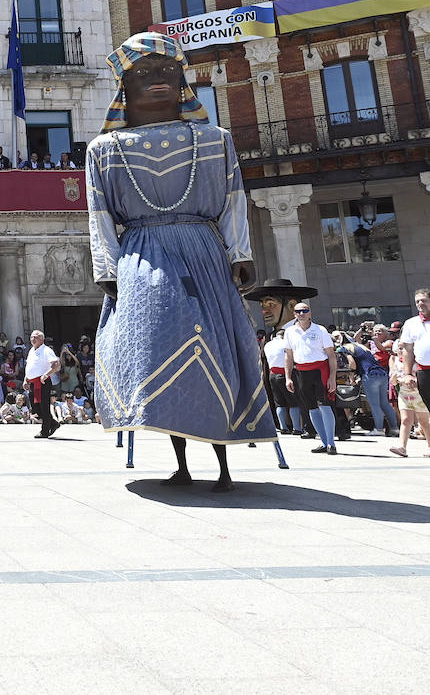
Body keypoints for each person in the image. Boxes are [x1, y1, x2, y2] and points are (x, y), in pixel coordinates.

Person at [86, 31, 272, 492]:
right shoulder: (103, 149)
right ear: (124, 87)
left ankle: (225, 463)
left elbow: (233, 200)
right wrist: (106, 267)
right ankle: (182, 462)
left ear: (184, 81)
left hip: (205, 254)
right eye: (144, 73)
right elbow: (100, 214)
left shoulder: (216, 140)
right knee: (156, 354)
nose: (158, 80)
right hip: (141, 259)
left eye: (169, 71)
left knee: (216, 350)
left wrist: (240, 252)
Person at [283, 301, 338, 455]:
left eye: (304, 311)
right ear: (294, 314)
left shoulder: (320, 330)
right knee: (311, 408)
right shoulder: (289, 332)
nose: (301, 314)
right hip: (301, 371)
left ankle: (331, 443)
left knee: (325, 406)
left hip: (320, 370)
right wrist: (288, 377)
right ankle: (323, 441)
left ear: (310, 313)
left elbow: (331, 355)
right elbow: (288, 356)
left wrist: (332, 377)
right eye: (298, 311)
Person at [389, 345, 428, 457]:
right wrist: (395, 378)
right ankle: (402, 447)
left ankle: (429, 446)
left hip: (419, 395)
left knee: (424, 422)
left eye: (403, 348)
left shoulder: (419, 362)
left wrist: (415, 381)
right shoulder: (396, 362)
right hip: (404, 394)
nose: (400, 351)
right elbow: (393, 381)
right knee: (405, 420)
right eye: (399, 348)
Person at [24, 330, 59, 438]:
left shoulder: (46, 350)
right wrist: (26, 379)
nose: (32, 339)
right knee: (36, 408)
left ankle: (44, 431)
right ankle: (53, 423)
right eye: (31, 337)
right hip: (33, 382)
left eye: (35, 337)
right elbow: (29, 366)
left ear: (41, 339)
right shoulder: (31, 351)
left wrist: (46, 374)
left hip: (43, 382)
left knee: (44, 406)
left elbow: (56, 365)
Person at [399, 288, 430, 410]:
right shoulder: (411, 323)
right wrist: (407, 374)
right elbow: (408, 350)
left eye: (424, 300)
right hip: (423, 372)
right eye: (417, 301)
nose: (420, 304)